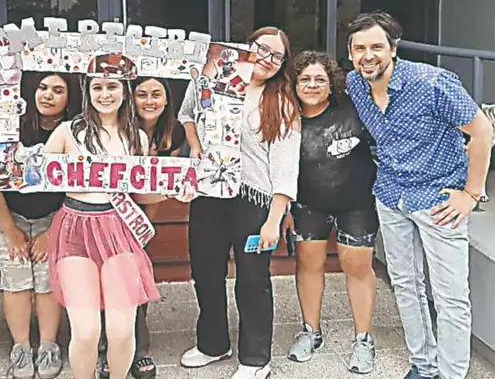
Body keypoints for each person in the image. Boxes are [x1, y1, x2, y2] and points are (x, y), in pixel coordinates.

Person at [345, 11, 493, 379]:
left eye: (377, 47)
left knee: (450, 297)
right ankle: (424, 366)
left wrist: (471, 193)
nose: (368, 56)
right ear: (350, 53)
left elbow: (482, 131)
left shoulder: (432, 83)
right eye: (359, 48)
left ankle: (452, 373)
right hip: (391, 195)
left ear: (393, 49)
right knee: (406, 286)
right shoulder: (355, 84)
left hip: (439, 201)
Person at [42, 55, 194, 379]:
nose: (105, 94)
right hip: (76, 229)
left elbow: (140, 193)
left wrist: (173, 192)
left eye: (112, 86)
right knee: (86, 331)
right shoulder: (67, 132)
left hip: (118, 229)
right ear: (88, 92)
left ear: (124, 91)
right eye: (97, 87)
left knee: (122, 331)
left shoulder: (137, 138)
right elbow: (33, 175)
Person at [178, 27, 302, 379]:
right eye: (262, 48)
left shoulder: (281, 103)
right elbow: (187, 115)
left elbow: (285, 167)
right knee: (205, 272)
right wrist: (195, 147)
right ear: (246, 47)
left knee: (252, 279)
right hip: (209, 193)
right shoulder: (211, 78)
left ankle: (255, 358)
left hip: (254, 200)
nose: (267, 59)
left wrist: (274, 220)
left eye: (276, 56)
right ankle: (213, 343)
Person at [0, 71, 80, 379]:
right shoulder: (9, 125)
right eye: (43, 87)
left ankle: (48, 346)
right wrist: (10, 232)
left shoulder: (76, 131)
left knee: (47, 278)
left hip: (57, 214)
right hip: (6, 213)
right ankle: (21, 347)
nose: (48, 95)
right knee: (16, 276)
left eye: (57, 90)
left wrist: (52, 232)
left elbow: (80, 189)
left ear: (69, 97)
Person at [279, 51, 379, 374]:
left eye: (319, 79)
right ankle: (311, 331)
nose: (312, 85)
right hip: (307, 203)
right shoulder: (285, 117)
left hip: (356, 202)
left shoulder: (352, 107)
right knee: (308, 264)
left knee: (357, 266)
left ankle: (363, 339)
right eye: (305, 79)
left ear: (331, 82)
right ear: (294, 83)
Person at [96, 76, 186, 379]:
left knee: (135, 280)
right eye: (142, 94)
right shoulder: (115, 130)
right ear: (129, 98)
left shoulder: (174, 133)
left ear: (167, 99)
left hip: (141, 213)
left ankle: (138, 346)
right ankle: (106, 347)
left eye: (156, 94)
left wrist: (143, 227)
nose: (149, 101)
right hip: (106, 212)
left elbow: (157, 187)